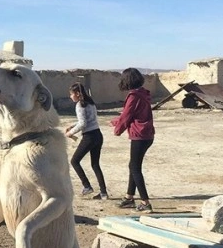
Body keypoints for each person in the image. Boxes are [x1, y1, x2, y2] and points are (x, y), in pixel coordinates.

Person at [110, 68, 156, 213]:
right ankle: (129, 197)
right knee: (133, 165)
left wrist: (118, 129)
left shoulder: (133, 96)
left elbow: (127, 116)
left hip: (140, 135)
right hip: (147, 134)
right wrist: (115, 121)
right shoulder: (143, 94)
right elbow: (132, 115)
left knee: (135, 168)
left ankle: (145, 202)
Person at [64, 82, 107, 200]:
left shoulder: (79, 105)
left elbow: (83, 123)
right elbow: (88, 120)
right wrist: (72, 126)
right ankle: (103, 193)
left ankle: (87, 186)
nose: (70, 96)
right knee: (95, 164)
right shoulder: (90, 102)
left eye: (71, 94)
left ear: (77, 94)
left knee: (74, 161)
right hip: (98, 134)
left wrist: (70, 133)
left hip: (89, 136)